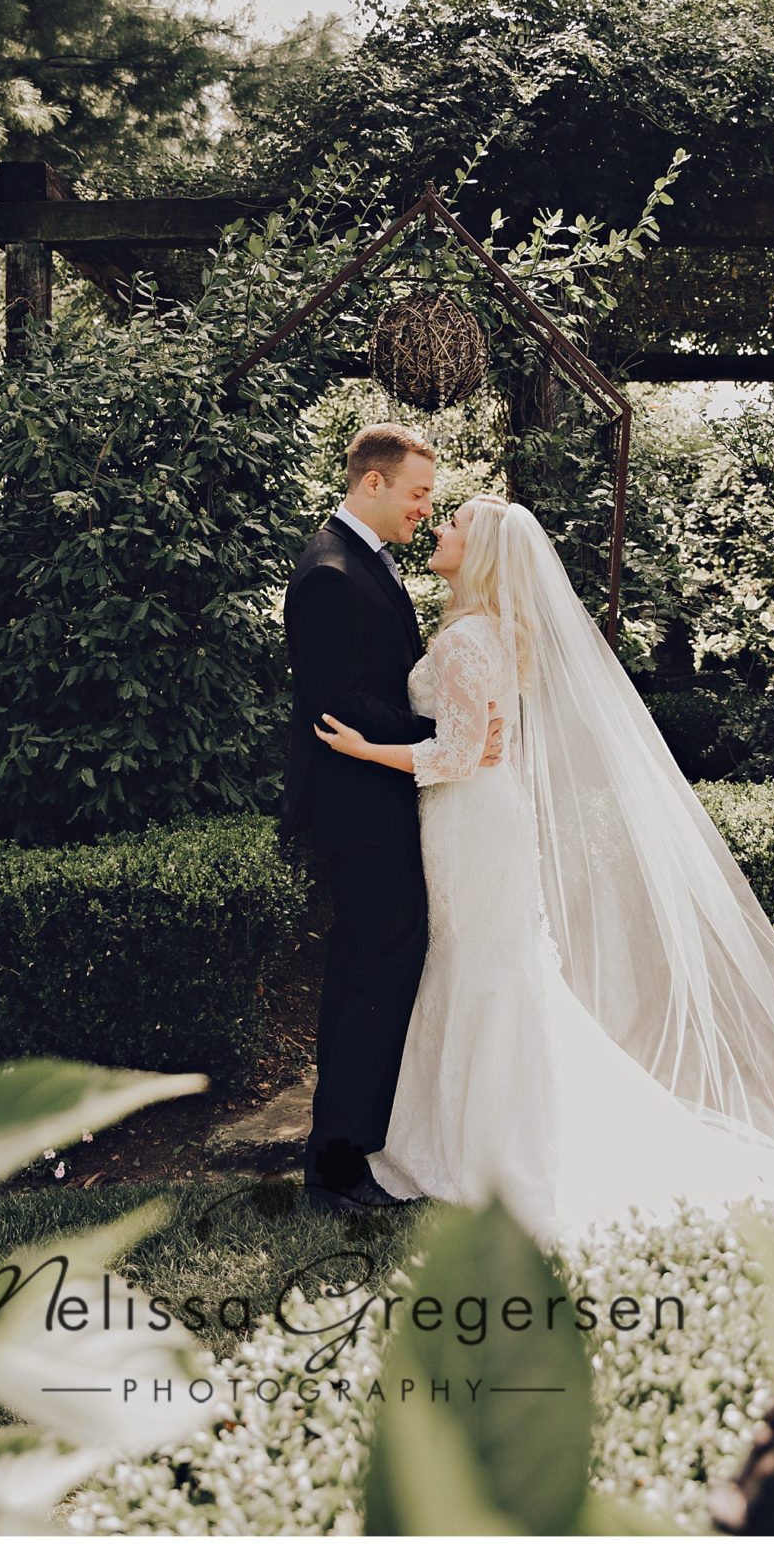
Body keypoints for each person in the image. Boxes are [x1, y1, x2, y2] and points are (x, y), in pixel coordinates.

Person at [314, 493, 774, 1247]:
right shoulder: (498, 632)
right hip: (486, 814)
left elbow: (457, 755)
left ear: (483, 552)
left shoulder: (466, 641)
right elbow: (482, 739)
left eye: (454, 522)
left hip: (468, 818)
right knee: (491, 966)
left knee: (480, 966)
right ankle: (477, 1135)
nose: (441, 527)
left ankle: (480, 1149)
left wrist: (368, 751)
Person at [282, 425, 504, 1217]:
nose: (424, 509)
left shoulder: (362, 563)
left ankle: (348, 1151)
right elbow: (338, 703)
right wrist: (446, 740)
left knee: (370, 973)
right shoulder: (330, 574)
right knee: (372, 975)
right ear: (370, 484)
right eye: (416, 494)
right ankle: (337, 1166)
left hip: (382, 802)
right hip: (359, 810)